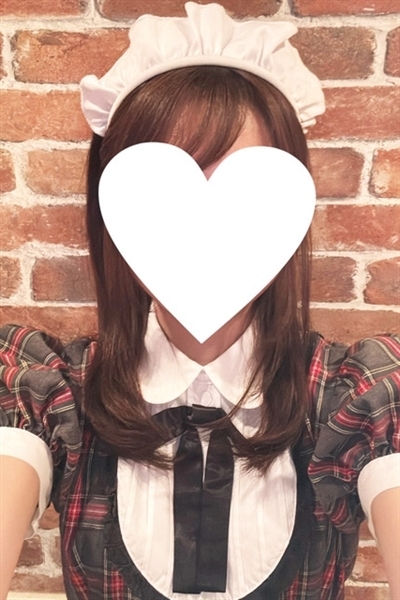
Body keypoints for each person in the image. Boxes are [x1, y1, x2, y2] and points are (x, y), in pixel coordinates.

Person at [0, 3, 399, 599]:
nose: (204, 231)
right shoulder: (51, 391)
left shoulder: (358, 396)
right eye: (164, 195)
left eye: (244, 192)